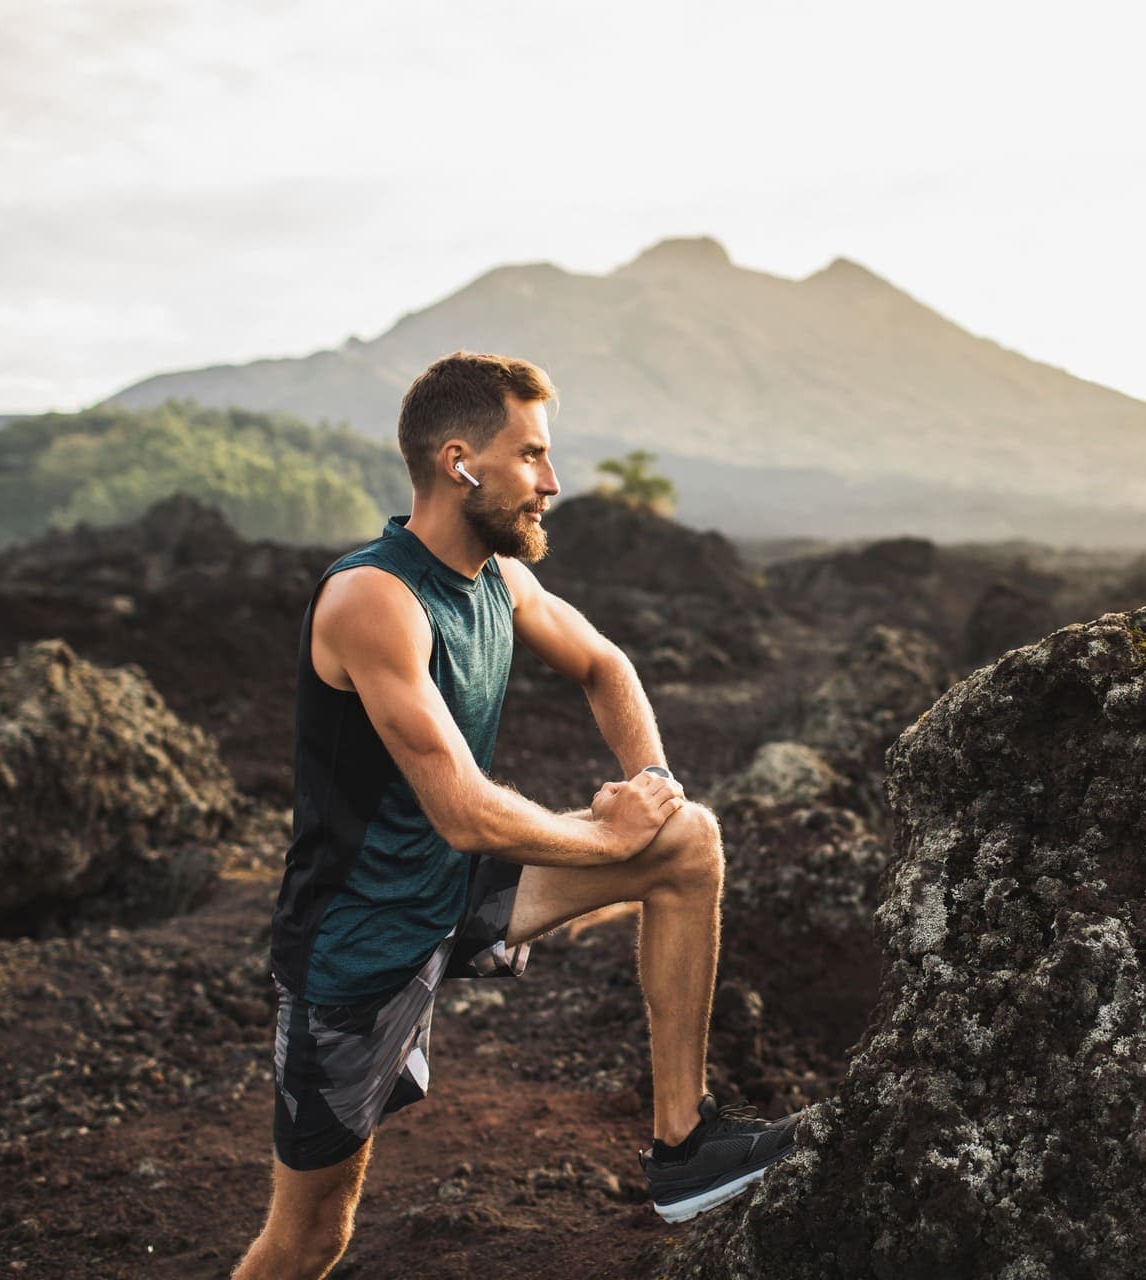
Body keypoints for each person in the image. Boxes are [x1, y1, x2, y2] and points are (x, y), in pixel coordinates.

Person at [233, 351, 799, 1279]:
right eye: (532, 456)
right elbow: (462, 811)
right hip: (358, 943)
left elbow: (604, 665)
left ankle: (683, 1144)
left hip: (457, 890)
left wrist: (649, 788)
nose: (553, 482)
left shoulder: (503, 580)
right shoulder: (375, 599)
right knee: (309, 1242)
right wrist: (605, 833)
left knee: (688, 840)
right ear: (462, 463)